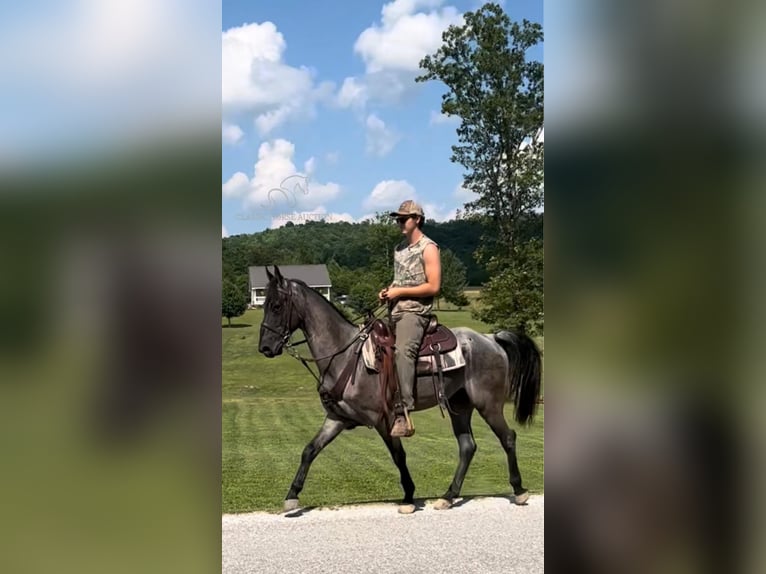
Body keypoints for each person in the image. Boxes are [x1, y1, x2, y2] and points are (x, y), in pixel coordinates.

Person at [378, 200, 441, 437]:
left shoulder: (429, 248)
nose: (399, 223)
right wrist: (388, 291)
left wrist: (399, 292)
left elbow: (433, 286)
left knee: (403, 351)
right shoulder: (400, 249)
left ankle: (403, 412)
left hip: (415, 313)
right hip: (394, 310)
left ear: (417, 219)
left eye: (403, 219)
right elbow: (400, 281)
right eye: (397, 219)